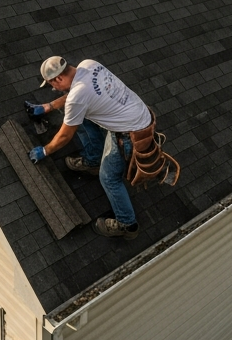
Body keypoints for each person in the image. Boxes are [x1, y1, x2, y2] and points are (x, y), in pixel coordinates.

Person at [25, 55, 151, 239]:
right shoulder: (88, 64)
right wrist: (48, 107)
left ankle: (127, 225)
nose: (54, 89)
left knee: (109, 179)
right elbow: (77, 96)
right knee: (80, 115)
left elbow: (65, 135)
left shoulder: (78, 96)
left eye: (53, 85)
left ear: (59, 78)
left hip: (130, 134)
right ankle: (93, 160)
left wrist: (44, 150)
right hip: (138, 114)